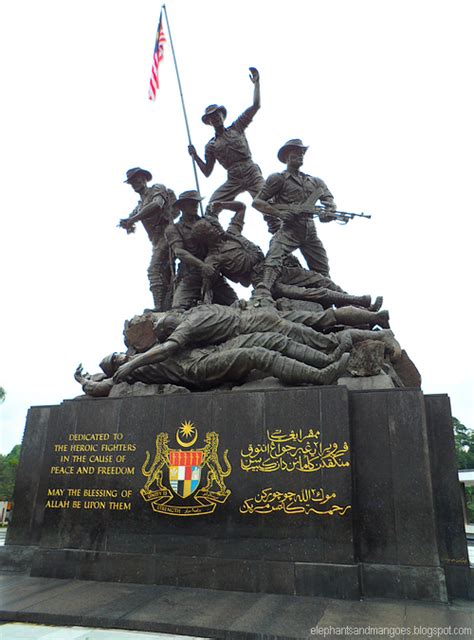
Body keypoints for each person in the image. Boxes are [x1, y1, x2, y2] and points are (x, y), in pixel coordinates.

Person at [192, 201, 384, 312]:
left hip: (274, 266)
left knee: (320, 280)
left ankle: (359, 308)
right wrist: (204, 304)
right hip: (264, 283)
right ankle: (359, 302)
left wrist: (221, 205)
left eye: (211, 225)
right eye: (208, 229)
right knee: (313, 293)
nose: (213, 228)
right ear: (205, 236)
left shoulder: (233, 232)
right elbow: (207, 287)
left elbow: (241, 207)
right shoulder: (212, 259)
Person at [75, 336, 351, 397]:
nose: (120, 357)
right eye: (115, 359)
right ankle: (320, 377)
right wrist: (86, 383)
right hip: (199, 370)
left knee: (270, 341)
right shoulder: (129, 372)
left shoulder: (140, 355)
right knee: (257, 355)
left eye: (116, 355)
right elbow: (102, 387)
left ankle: (325, 357)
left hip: (207, 353)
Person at [188, 68, 278, 234]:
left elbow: (256, 106)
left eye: (217, 114)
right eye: (211, 117)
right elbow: (207, 171)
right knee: (212, 205)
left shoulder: (237, 127)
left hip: (250, 171)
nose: (215, 118)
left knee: (267, 204)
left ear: (223, 116)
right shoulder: (211, 145)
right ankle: (215, 234)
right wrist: (195, 157)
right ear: (208, 122)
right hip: (233, 177)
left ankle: (277, 232)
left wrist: (257, 83)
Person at [253, 139, 339, 297]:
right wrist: (279, 214)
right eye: (295, 152)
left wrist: (329, 213)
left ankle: (332, 301)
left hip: (310, 231)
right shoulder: (278, 179)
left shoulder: (315, 182)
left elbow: (330, 203)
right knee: (274, 256)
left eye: (302, 153)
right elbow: (257, 202)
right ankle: (263, 291)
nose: (300, 155)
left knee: (322, 271)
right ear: (286, 157)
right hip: (290, 229)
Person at [164, 190, 237, 310]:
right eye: (192, 203)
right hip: (191, 275)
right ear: (182, 206)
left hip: (213, 272)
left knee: (235, 304)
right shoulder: (173, 229)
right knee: (177, 308)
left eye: (197, 203)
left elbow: (222, 241)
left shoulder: (206, 222)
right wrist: (202, 266)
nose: (195, 206)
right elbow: (179, 252)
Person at [119, 167, 176, 311]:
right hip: (156, 241)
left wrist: (133, 219)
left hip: (168, 235)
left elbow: (157, 205)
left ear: (144, 178)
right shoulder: (139, 206)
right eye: (132, 182)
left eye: (137, 179)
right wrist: (127, 224)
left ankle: (158, 308)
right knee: (166, 273)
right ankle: (168, 305)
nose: (135, 184)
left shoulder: (157, 189)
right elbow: (132, 220)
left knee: (154, 269)